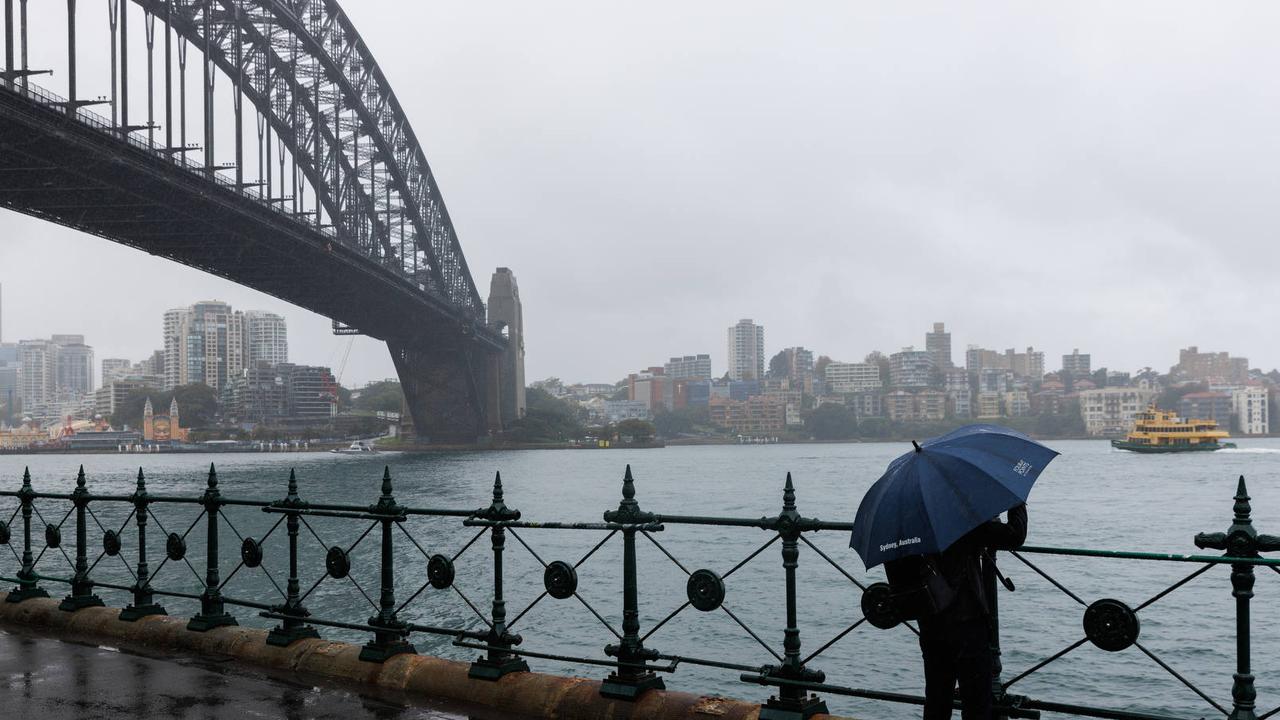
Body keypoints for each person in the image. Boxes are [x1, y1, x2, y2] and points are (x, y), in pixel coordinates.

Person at [917, 502, 1027, 720]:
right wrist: (1017, 501)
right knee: (976, 704)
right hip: (966, 619)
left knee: (937, 700)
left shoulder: (914, 514)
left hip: (930, 618)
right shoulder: (960, 514)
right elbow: (1014, 535)